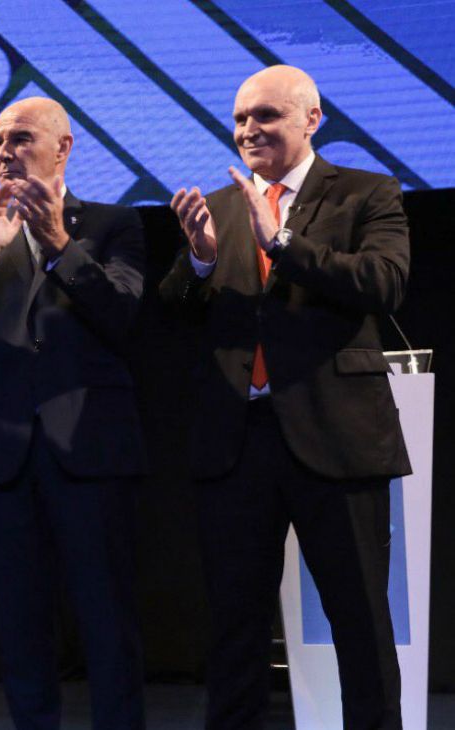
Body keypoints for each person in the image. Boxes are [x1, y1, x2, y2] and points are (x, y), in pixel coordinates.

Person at [159, 65, 410, 730]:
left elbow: (384, 282)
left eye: (265, 116)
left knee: (359, 621)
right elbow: (173, 310)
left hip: (337, 437)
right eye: (240, 118)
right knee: (234, 627)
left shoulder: (366, 192)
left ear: (311, 119)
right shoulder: (217, 206)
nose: (248, 130)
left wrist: (283, 243)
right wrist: (204, 262)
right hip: (237, 444)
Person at [0, 98, 148, 729]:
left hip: (91, 452)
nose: (5, 150)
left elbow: (123, 316)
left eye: (20, 137)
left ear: (62, 148)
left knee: (108, 623)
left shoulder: (112, 223)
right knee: (19, 627)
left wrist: (57, 242)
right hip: (2, 457)